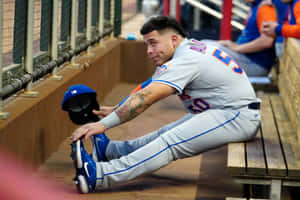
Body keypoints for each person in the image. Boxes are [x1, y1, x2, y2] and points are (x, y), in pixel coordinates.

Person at [69, 16, 261, 194]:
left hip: (236, 116)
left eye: (153, 43)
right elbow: (148, 86)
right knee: (164, 133)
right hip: (226, 111)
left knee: (169, 143)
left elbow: (146, 97)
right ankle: (110, 152)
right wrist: (117, 108)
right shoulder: (188, 49)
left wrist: (103, 125)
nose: (149, 51)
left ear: (174, 39)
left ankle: (100, 175)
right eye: (146, 45)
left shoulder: (185, 60)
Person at [203, 0, 278, 77]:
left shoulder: (265, 8)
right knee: (202, 45)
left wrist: (237, 47)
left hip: (255, 64)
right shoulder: (256, 5)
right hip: (245, 57)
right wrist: (232, 45)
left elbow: (267, 41)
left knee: (205, 51)